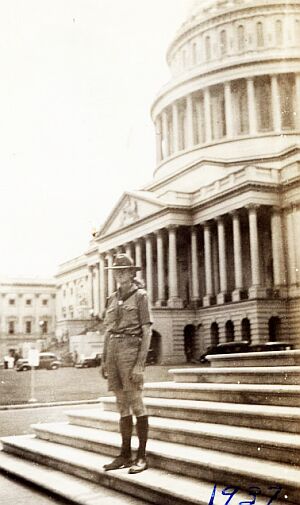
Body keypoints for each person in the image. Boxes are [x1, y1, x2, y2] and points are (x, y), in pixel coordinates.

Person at [101, 253, 152, 474]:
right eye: (116, 271)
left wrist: (140, 364)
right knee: (121, 405)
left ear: (133, 273)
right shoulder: (111, 299)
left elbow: (147, 330)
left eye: (124, 271)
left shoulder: (141, 296)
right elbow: (108, 331)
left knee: (136, 402)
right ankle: (124, 454)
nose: (120, 274)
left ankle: (141, 456)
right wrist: (104, 359)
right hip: (113, 352)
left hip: (131, 351)